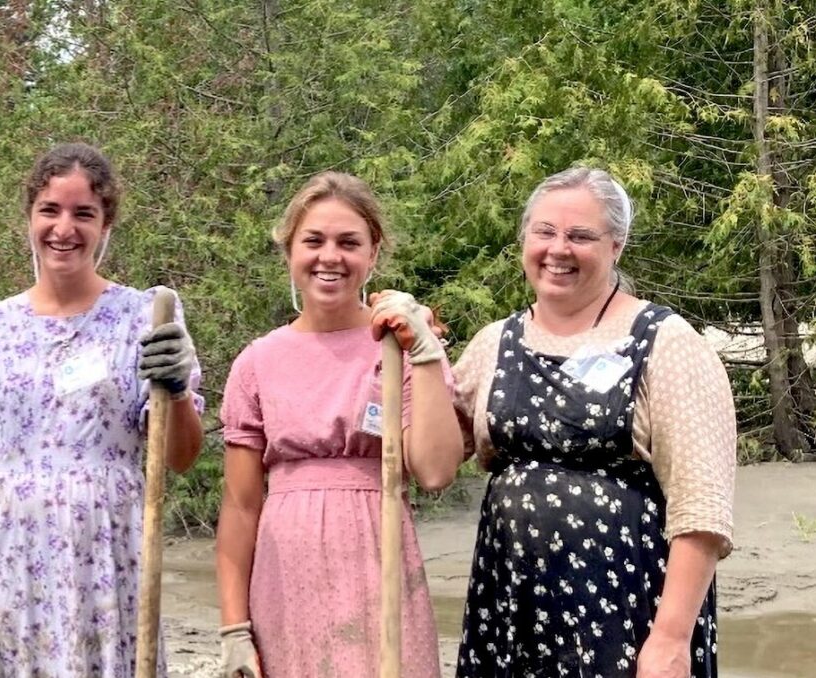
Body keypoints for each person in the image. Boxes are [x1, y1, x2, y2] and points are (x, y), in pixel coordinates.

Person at [0, 142, 205, 677]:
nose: (64, 228)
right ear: (29, 216)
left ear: (106, 224)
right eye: (50, 210)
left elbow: (181, 458)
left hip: (108, 550)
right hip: (12, 554)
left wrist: (179, 388)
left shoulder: (144, 316)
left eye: (83, 213)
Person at [452, 167, 733, 676]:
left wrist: (671, 638)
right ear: (525, 240)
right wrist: (418, 358)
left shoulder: (664, 341)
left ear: (616, 246)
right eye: (545, 232)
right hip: (511, 610)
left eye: (580, 236)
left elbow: (702, 508)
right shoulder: (496, 341)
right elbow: (430, 459)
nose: (558, 249)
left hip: (625, 609)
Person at [213, 172, 464, 677]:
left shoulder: (398, 348)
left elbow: (436, 471)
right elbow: (241, 508)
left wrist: (426, 353)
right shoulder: (257, 362)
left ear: (372, 255)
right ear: (289, 250)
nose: (331, 257)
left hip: (381, 567)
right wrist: (234, 628)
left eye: (349, 243)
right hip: (287, 580)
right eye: (314, 241)